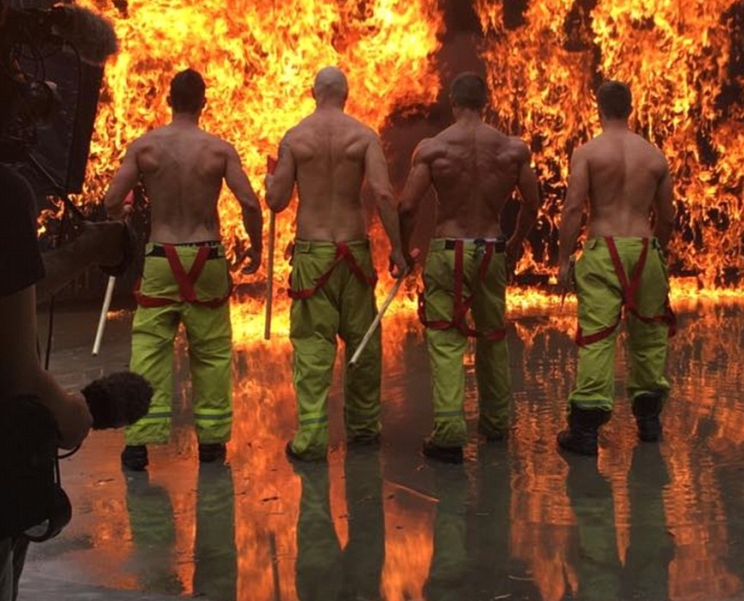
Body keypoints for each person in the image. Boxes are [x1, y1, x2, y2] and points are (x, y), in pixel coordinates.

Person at [104, 68, 263, 471]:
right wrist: (256, 247)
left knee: (149, 348)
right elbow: (248, 202)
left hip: (162, 256)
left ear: (168, 101)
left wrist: (122, 213)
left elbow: (110, 200)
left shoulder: (145, 147)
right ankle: (211, 444)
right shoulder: (219, 150)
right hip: (206, 256)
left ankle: (138, 443)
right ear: (203, 103)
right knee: (210, 352)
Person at [265, 65, 406, 461]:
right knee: (363, 341)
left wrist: (268, 182)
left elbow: (277, 202)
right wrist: (396, 248)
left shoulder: (295, 137)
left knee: (312, 345)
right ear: (346, 94)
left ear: (314, 92)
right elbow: (382, 194)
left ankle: (310, 440)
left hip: (313, 253)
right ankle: (363, 429)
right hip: (354, 252)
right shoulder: (363, 136)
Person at [398, 71, 540, 463]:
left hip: (449, 248)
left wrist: (402, 250)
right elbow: (533, 202)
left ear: (452, 101)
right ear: (486, 102)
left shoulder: (434, 148)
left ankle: (449, 433)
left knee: (446, 339)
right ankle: (495, 424)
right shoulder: (512, 150)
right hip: (491, 247)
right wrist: (514, 242)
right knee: (492, 335)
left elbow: (408, 205)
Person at [555, 79, 675, 456]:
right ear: (631, 108)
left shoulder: (588, 153)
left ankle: (586, 431)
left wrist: (563, 261)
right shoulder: (654, 156)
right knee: (650, 337)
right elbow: (668, 217)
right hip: (645, 249)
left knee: (597, 338)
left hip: (603, 250)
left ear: (598, 108)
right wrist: (659, 253)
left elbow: (574, 208)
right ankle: (649, 421)